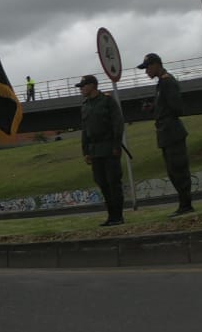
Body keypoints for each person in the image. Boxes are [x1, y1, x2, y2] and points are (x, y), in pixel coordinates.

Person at [138, 53, 195, 216]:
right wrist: (153, 109)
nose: (146, 71)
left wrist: (164, 115)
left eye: (147, 67)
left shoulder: (167, 81)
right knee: (172, 171)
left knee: (179, 169)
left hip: (172, 131)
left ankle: (186, 205)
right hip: (165, 133)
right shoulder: (161, 83)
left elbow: (177, 107)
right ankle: (184, 204)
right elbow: (165, 106)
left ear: (156, 64)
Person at [77, 74, 126, 226]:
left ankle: (118, 216)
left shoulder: (107, 101)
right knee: (102, 183)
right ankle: (111, 216)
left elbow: (118, 123)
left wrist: (116, 145)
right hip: (95, 150)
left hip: (109, 147)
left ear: (92, 85)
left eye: (83, 86)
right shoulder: (85, 105)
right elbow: (85, 130)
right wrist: (85, 151)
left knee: (113, 183)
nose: (81, 89)